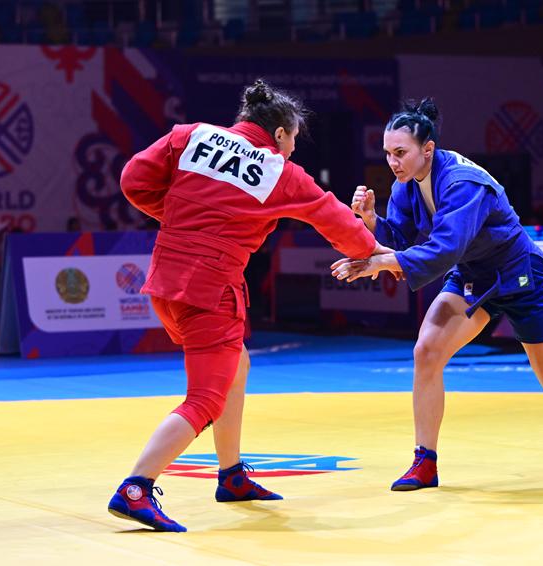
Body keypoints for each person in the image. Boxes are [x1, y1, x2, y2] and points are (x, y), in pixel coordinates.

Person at [110, 79, 384, 531]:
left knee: (237, 366)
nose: (293, 150)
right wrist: (373, 253)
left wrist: (184, 218)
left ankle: (232, 476)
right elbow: (333, 217)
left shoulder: (190, 135)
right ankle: (135, 488)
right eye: (293, 139)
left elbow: (133, 180)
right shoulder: (280, 171)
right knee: (204, 399)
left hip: (165, 282)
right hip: (210, 291)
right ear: (279, 133)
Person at [332, 98, 543, 492]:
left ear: (428, 149)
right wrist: (373, 221)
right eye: (388, 153)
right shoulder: (404, 186)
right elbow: (402, 241)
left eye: (400, 153)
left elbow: (444, 249)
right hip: (474, 276)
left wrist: (378, 263)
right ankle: (425, 462)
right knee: (427, 352)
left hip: (522, 276)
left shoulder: (463, 183)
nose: (393, 162)